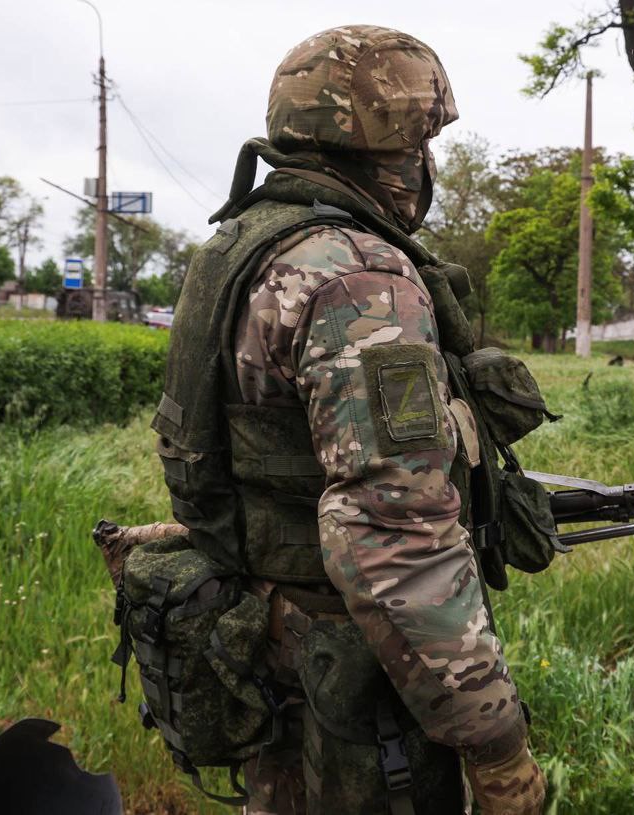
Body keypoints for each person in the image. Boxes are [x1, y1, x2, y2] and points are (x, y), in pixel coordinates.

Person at [152, 25, 545, 815]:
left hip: (262, 633)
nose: (427, 164)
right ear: (392, 141)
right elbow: (393, 531)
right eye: (423, 142)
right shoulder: (357, 277)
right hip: (350, 674)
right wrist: (496, 745)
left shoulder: (242, 247)